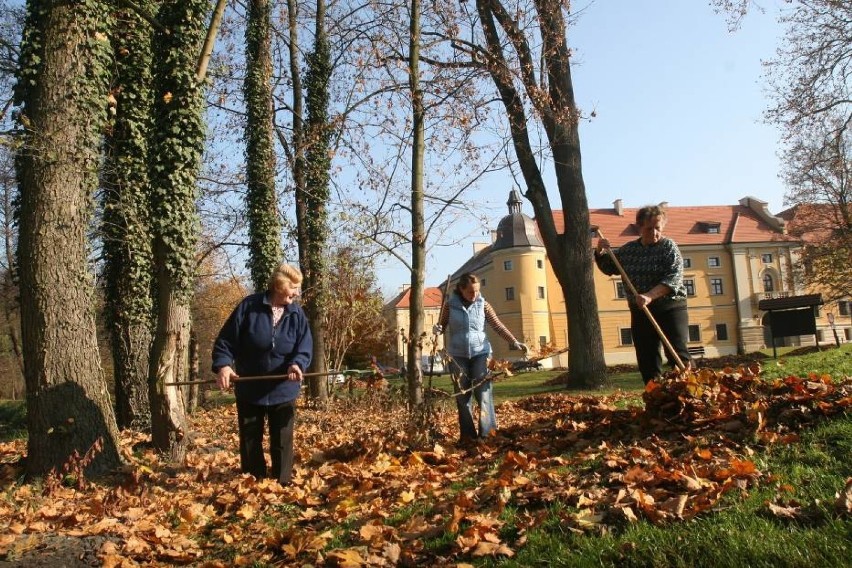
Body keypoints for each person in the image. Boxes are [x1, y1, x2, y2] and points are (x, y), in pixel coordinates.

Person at [212, 263, 313, 485]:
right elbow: (226, 342)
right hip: (250, 387)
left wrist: (297, 364)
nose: (297, 293)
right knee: (250, 439)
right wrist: (224, 365)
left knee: (282, 440)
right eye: (294, 287)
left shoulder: (297, 314)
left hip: (284, 387)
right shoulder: (249, 307)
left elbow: (304, 347)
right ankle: (253, 481)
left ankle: (283, 482)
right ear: (279, 285)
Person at [594, 204, 691, 383]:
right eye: (649, 228)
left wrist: (649, 296)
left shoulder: (668, 247)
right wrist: (600, 250)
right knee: (647, 357)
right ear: (639, 227)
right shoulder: (629, 250)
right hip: (640, 310)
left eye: (658, 228)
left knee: (677, 352)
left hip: (671, 307)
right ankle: (655, 395)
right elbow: (608, 267)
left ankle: (688, 392)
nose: (654, 233)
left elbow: (673, 279)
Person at [434, 272, 528, 443]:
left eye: (477, 291)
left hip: (481, 354)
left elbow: (497, 325)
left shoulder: (483, 304)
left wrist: (514, 342)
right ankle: (468, 437)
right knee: (462, 397)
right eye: (470, 291)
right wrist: (438, 329)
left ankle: (488, 434)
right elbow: (442, 324)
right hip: (457, 356)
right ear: (461, 290)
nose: (474, 295)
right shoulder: (449, 306)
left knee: (484, 394)